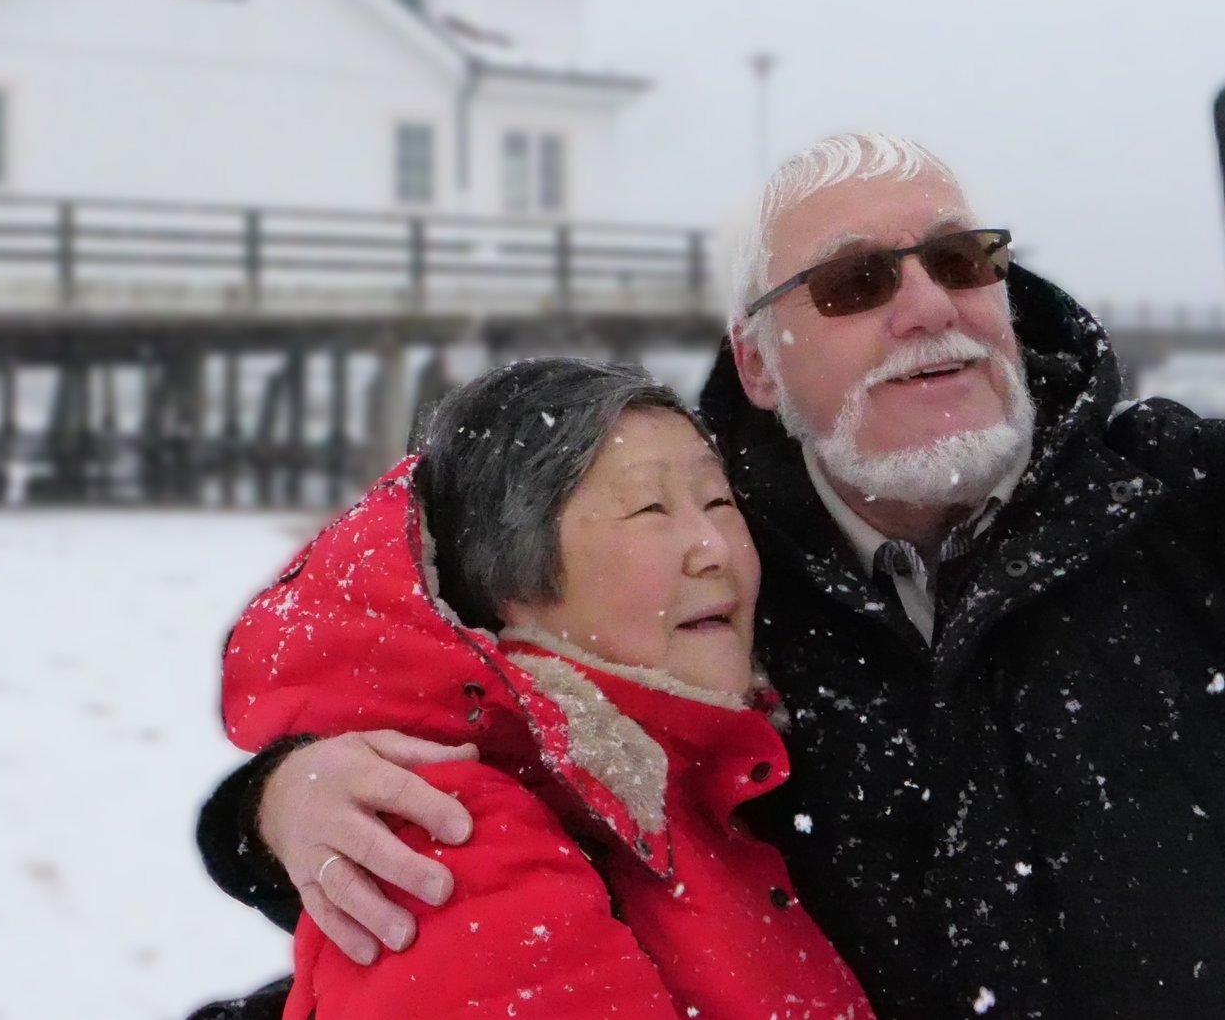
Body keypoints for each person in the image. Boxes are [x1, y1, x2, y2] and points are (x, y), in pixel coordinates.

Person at [196, 0, 1225, 1017]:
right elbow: (458, 692)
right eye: (852, 281)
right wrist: (280, 799)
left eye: (962, 257)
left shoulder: (1189, 516)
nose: (928, 302)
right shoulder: (698, 584)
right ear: (760, 367)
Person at [212, 358, 876, 1020]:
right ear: (514, 582)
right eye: (650, 508)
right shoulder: (451, 832)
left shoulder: (720, 775)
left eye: (718, 501)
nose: (713, 548)